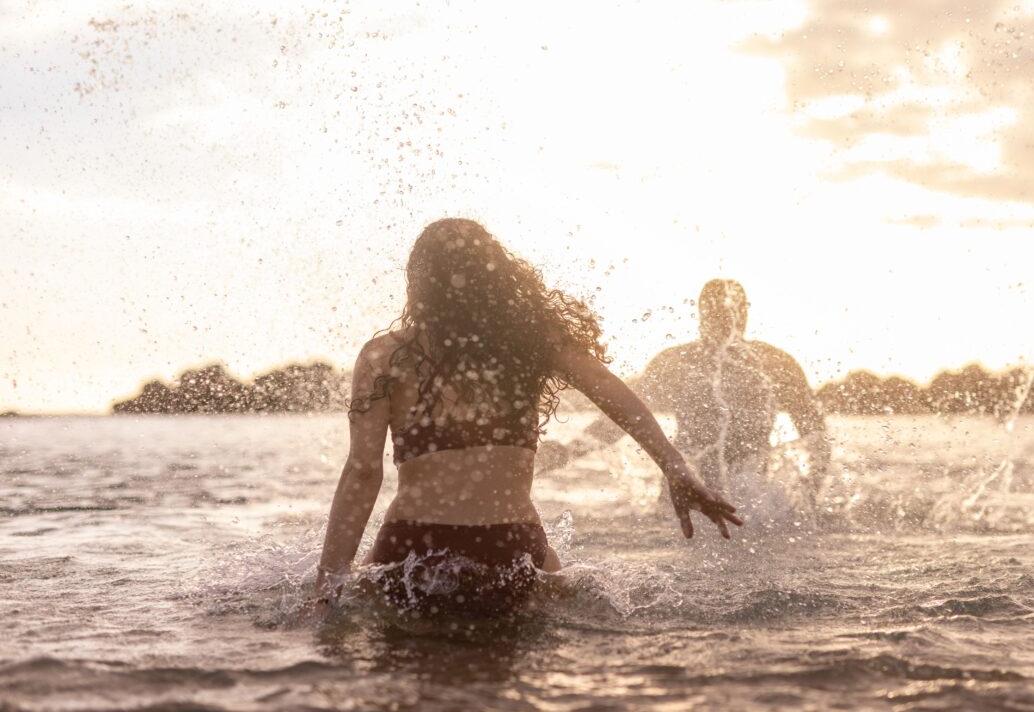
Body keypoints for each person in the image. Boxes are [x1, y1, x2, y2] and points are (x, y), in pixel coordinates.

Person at [306, 219, 741, 618]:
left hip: (413, 547)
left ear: (418, 283)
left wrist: (327, 586)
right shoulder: (532, 345)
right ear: (496, 277)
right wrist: (673, 463)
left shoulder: (385, 356)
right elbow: (615, 395)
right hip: (511, 544)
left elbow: (363, 472)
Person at [574, 279, 829, 498]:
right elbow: (626, 416)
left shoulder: (775, 364)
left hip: (754, 490)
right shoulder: (675, 362)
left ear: (744, 314)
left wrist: (807, 497)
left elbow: (816, 435)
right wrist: (570, 449)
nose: (724, 320)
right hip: (688, 485)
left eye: (730, 312)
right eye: (716, 312)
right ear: (702, 314)